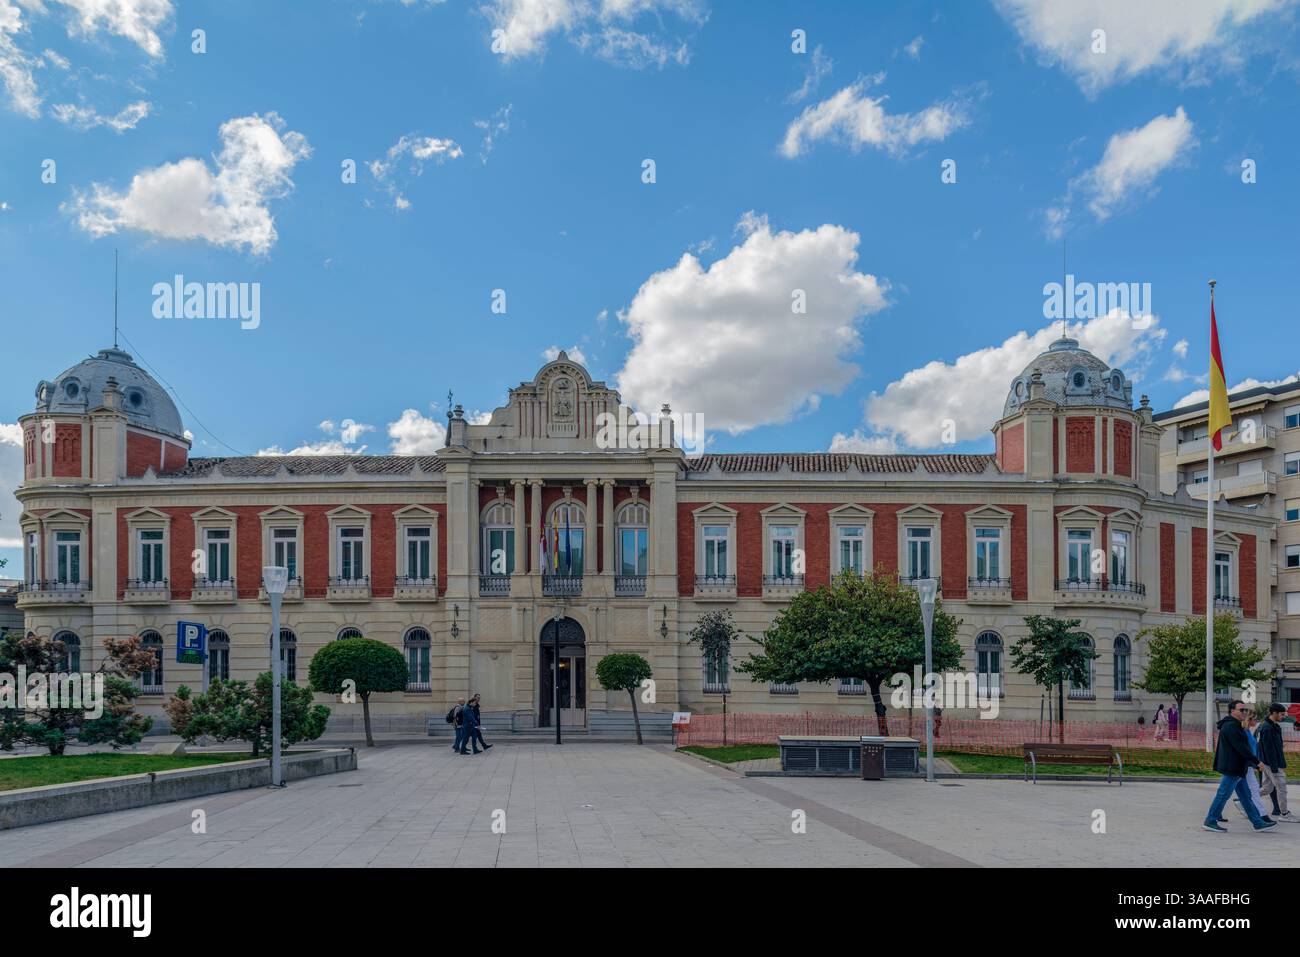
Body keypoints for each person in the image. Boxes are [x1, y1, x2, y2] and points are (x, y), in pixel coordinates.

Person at [1203, 700, 1277, 833]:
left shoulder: (1235, 725)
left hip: (1238, 767)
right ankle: (1210, 820)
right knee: (1223, 794)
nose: (1244, 712)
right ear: (1232, 711)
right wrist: (1256, 762)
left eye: (1245, 710)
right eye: (1241, 710)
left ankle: (1257, 822)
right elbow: (1241, 748)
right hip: (1233, 767)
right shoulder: (1231, 726)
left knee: (1246, 796)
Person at [1258, 702, 1296, 822]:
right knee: (1282, 788)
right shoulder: (1266, 728)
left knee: (1266, 789)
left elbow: (1275, 747)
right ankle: (1284, 814)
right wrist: (1274, 767)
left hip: (1272, 763)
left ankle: (1244, 800)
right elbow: (1268, 750)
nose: (1283, 716)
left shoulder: (1275, 726)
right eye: (1281, 714)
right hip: (1272, 764)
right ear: (1274, 713)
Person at [1234, 712, 1273, 823]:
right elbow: (1247, 750)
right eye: (1255, 719)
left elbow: (1252, 749)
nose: (1256, 721)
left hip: (1248, 765)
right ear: (1248, 720)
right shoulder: (1244, 733)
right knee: (1252, 789)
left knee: (1252, 789)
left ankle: (1261, 814)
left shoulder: (1248, 732)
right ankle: (1262, 815)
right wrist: (1255, 763)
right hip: (1244, 765)